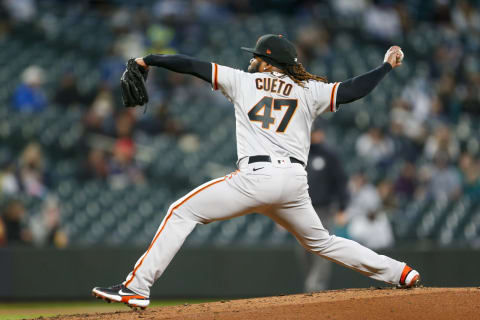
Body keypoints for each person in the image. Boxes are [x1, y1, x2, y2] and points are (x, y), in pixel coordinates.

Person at [92, 34, 420, 309]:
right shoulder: (311, 90)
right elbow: (352, 90)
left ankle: (138, 286)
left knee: (182, 211)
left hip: (257, 176)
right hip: (293, 183)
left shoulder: (243, 80)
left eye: (257, 57)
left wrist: (150, 59)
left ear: (268, 60)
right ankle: (399, 272)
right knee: (323, 243)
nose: (252, 61)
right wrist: (386, 66)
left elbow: (191, 65)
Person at [302, 126, 349, 292]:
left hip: (324, 210)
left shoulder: (330, 155)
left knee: (323, 249)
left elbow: (341, 182)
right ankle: (311, 286)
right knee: (304, 251)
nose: (316, 135)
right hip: (302, 211)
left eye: (317, 132)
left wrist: (342, 208)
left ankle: (315, 288)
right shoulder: (300, 154)